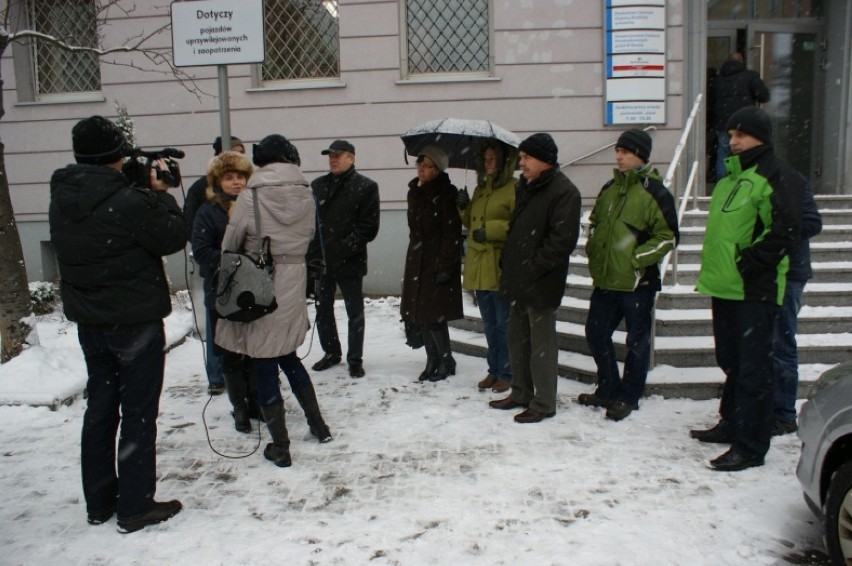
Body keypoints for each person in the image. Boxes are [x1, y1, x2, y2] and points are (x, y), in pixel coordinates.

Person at [49, 115, 185, 532]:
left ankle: (100, 501)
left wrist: (135, 184)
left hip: (92, 322)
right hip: (135, 321)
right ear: (116, 155)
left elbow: (108, 223)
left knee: (101, 411)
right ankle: (135, 506)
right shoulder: (126, 200)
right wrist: (160, 193)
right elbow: (171, 237)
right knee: (139, 414)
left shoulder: (64, 196)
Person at [690, 107, 803, 472]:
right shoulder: (728, 180)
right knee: (732, 362)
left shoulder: (775, 176)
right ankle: (731, 423)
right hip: (724, 287)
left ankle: (751, 446)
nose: (732, 141)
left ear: (760, 137)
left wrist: (749, 262)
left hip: (755, 290)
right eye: (730, 134)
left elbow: (785, 229)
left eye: (740, 134)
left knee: (755, 370)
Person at [215, 134, 333, 468]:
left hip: (261, 282)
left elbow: (231, 243)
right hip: (294, 281)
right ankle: (318, 425)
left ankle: (280, 445)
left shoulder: (251, 195)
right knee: (288, 355)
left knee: (264, 359)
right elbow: (310, 238)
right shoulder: (307, 193)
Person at [579, 130, 679, 421]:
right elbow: (595, 222)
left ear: (641, 155)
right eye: (618, 151)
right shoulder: (610, 187)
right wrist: (594, 248)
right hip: (607, 280)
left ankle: (629, 396)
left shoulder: (656, 192)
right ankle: (608, 387)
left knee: (637, 342)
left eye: (626, 151)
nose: (619, 156)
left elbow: (668, 236)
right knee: (596, 333)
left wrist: (636, 261)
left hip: (637, 283)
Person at [489, 133, 581, 423]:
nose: (522, 162)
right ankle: (520, 392)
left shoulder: (565, 192)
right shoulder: (526, 187)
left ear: (546, 160)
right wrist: (510, 261)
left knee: (541, 345)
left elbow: (561, 241)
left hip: (542, 282)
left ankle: (543, 402)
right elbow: (518, 231)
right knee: (517, 339)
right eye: (521, 157)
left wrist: (533, 267)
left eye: (527, 157)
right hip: (519, 279)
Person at [191, 151, 261, 433]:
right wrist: (234, 265)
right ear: (218, 182)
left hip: (255, 293)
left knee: (255, 351)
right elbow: (202, 251)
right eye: (229, 177)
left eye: (240, 177)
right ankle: (240, 408)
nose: (235, 183)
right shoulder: (208, 211)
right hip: (223, 292)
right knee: (231, 353)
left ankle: (257, 403)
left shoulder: (258, 207)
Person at [308, 140, 380, 378]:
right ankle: (331, 352)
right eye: (330, 156)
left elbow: (368, 227)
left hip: (350, 261)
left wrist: (343, 248)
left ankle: (355, 359)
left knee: (354, 312)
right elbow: (310, 225)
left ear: (352, 158)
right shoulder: (318, 186)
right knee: (323, 309)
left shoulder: (366, 187)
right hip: (322, 261)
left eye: (338, 155)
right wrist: (314, 255)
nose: (333, 159)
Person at [184, 135, 245, 396]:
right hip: (217, 272)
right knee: (217, 326)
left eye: (242, 153)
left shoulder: (249, 194)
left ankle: (245, 381)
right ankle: (217, 374)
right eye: (234, 153)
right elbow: (194, 229)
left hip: (247, 277)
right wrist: (219, 258)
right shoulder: (202, 190)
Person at [456, 141, 518, 394]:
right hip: (479, 265)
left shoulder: (514, 189)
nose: (489, 163)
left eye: (493, 159)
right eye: (486, 159)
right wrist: (463, 205)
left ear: (503, 161)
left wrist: (490, 231)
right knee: (490, 324)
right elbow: (471, 223)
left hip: (499, 265)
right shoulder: (481, 189)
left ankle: (508, 372)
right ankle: (494, 370)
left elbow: (518, 223)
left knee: (504, 324)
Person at [400, 146, 463, 382]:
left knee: (435, 316)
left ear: (438, 170)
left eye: (427, 165)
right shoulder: (414, 192)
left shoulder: (447, 194)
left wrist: (444, 266)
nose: (421, 169)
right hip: (418, 259)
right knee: (420, 315)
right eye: (419, 164)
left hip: (437, 260)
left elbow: (451, 233)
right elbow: (414, 230)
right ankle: (432, 359)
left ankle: (446, 359)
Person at [771, 173, 822, 436]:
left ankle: (783, 413)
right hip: (762, 273)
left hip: (790, 272)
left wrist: (775, 235)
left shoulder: (793, 182)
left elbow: (813, 223)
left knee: (781, 344)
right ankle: (764, 408)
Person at [712, 53, 770, 182]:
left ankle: (722, 183)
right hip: (745, 124)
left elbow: (712, 102)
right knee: (747, 152)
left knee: (723, 153)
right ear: (742, 62)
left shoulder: (718, 80)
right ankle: (745, 182)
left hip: (723, 123)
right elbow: (764, 96)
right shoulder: (750, 76)